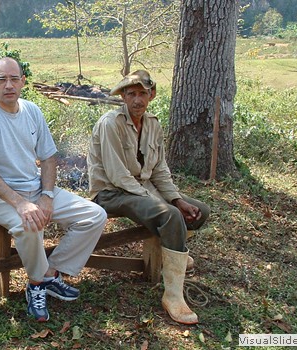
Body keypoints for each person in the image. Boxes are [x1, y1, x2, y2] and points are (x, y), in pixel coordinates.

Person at [0, 57, 107, 322]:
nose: (9, 85)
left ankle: (50, 272)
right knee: (29, 224)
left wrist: (47, 195)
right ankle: (36, 285)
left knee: (94, 216)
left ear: (23, 82)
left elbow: (49, 158)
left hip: (34, 190)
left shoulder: (32, 111)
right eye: (2, 79)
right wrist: (20, 203)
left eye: (14, 79)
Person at [87, 69, 210, 325]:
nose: (137, 100)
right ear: (123, 97)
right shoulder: (111, 124)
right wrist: (159, 202)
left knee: (199, 212)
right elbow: (118, 176)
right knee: (169, 216)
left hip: (139, 189)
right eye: (131, 94)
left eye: (143, 94)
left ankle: (174, 253)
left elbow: (159, 170)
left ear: (151, 95)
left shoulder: (153, 124)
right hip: (110, 193)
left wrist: (176, 199)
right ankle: (173, 295)